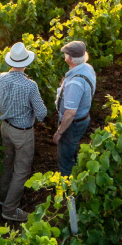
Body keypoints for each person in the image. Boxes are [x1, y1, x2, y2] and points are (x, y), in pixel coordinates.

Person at [0, 42, 48, 222]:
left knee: (7, 163)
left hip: (5, 128)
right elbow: (42, 114)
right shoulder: (30, 86)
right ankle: (9, 209)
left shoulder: (0, 78)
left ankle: (3, 198)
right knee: (21, 170)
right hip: (22, 133)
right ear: (26, 63)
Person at [53, 41, 96, 177]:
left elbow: (70, 113)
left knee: (65, 159)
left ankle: (68, 193)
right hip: (82, 118)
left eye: (66, 54)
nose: (65, 56)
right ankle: (76, 171)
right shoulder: (87, 68)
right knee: (72, 147)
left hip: (73, 124)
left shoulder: (75, 83)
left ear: (69, 59)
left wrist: (59, 132)